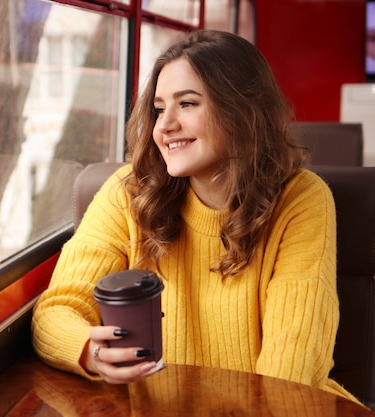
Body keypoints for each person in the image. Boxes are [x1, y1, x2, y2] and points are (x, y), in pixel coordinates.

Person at [31, 29, 361, 404]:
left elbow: (286, 376)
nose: (164, 125)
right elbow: (55, 312)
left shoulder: (302, 200)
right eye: (158, 109)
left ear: (240, 109)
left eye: (187, 104)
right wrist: (91, 352)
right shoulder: (129, 191)